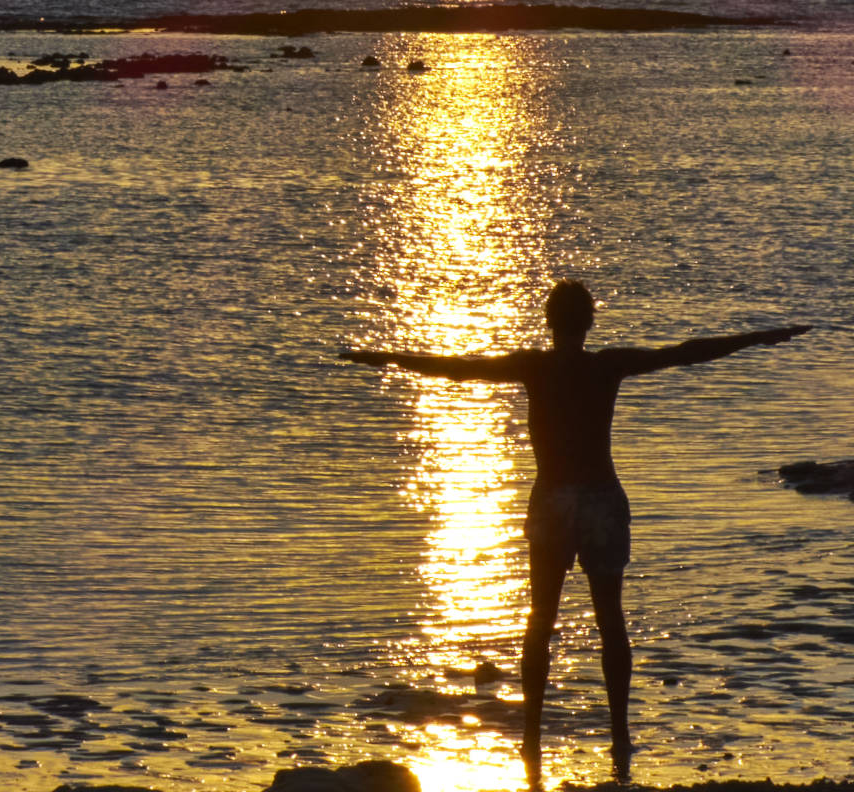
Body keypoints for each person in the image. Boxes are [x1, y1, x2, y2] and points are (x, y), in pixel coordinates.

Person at [338, 280, 809, 784]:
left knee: (540, 620)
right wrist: (761, 336)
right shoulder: (606, 365)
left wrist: (381, 356)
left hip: (555, 501)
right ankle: (620, 734)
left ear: (549, 321)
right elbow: (686, 354)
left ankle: (533, 738)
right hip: (602, 500)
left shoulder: (534, 366)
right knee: (611, 619)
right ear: (589, 322)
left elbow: (456, 368)